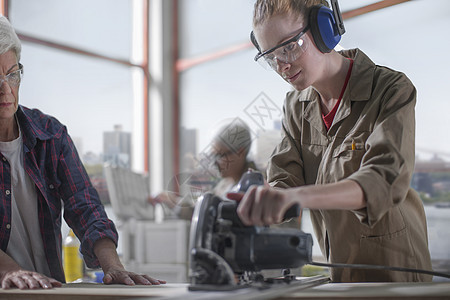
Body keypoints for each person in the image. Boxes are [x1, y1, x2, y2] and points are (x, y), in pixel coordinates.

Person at [233, 0, 432, 282]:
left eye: (289, 47)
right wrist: (262, 201)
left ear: (324, 29)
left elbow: (382, 182)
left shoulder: (390, 89)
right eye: (271, 56)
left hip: (397, 273)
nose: (282, 65)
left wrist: (295, 197)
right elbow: (285, 182)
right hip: (339, 274)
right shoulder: (295, 106)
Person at [0, 15, 165, 289]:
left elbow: (86, 207)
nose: (5, 89)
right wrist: (9, 272)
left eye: (12, 74)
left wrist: (113, 267)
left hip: (47, 289)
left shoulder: (50, 135)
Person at [149, 119, 258, 219]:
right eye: (213, 155)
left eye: (220, 156)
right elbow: (202, 211)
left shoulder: (258, 188)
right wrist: (171, 201)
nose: (214, 162)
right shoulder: (224, 185)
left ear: (240, 152)